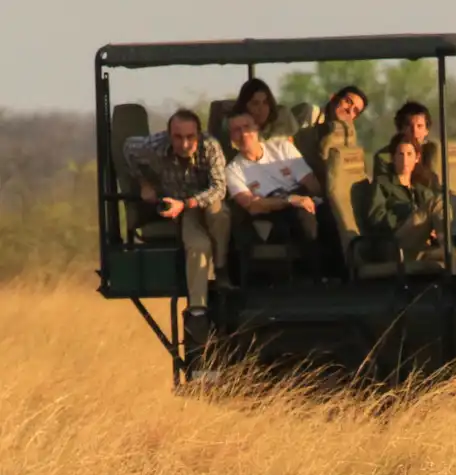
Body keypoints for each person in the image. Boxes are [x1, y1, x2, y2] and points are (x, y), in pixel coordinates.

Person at [123, 108, 231, 308]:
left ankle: (221, 267)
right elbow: (128, 147)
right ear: (168, 135)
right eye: (178, 137)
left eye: (190, 136)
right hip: (183, 209)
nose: (184, 144)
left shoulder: (210, 147)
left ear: (199, 134)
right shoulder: (154, 146)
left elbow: (219, 187)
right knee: (198, 246)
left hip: (205, 202)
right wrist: (143, 183)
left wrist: (187, 203)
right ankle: (197, 311)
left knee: (219, 213)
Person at [224, 109, 324, 275]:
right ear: (231, 136)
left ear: (256, 128)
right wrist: (290, 200)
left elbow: (311, 183)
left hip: (303, 196)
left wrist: (316, 199)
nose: (244, 134)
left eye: (247, 127)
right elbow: (252, 205)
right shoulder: (232, 170)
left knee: (327, 213)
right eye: (237, 130)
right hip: (272, 209)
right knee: (303, 215)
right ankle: (315, 278)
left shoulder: (282, 148)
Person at [365, 132, 445, 262]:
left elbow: (434, 212)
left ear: (417, 158)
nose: (405, 160)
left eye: (409, 155)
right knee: (435, 203)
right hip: (394, 243)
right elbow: (376, 217)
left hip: (420, 245)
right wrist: (405, 217)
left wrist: (431, 228)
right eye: (400, 155)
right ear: (393, 158)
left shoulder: (420, 189)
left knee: (442, 203)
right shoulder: (382, 183)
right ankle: (446, 244)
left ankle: (449, 246)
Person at [372, 101, 439, 189]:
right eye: (409, 126)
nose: (414, 132)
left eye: (419, 126)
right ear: (400, 129)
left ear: (426, 130)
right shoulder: (384, 156)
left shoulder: (432, 152)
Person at [230, 78, 298, 142]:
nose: (261, 109)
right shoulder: (239, 128)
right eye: (255, 104)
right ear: (244, 106)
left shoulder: (281, 118)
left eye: (265, 103)